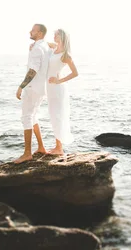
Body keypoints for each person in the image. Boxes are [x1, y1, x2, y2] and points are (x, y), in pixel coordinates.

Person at [14, 24, 51, 164]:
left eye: (33, 30)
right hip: (41, 88)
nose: (30, 31)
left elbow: (33, 70)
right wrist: (35, 44)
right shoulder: (45, 47)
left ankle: (27, 153)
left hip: (32, 87)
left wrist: (21, 86)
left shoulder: (37, 48)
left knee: (26, 117)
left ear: (40, 33)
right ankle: (41, 147)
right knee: (33, 117)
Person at [46, 29, 78, 155]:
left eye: (56, 34)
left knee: (58, 115)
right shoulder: (54, 48)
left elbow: (75, 73)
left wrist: (59, 80)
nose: (54, 35)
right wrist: (34, 44)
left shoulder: (66, 55)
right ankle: (57, 146)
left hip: (58, 88)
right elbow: (42, 43)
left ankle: (59, 148)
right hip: (50, 88)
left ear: (62, 37)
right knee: (53, 115)